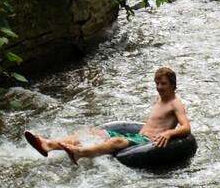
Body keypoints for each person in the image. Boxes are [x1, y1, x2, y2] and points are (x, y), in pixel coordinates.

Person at [24, 67, 191, 164]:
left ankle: (79, 153)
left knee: (116, 142)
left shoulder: (176, 104)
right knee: (92, 132)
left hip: (150, 141)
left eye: (163, 84)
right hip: (139, 137)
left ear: (173, 85)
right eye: (157, 83)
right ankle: (49, 144)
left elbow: (186, 127)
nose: (159, 87)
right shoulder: (160, 98)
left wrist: (169, 133)